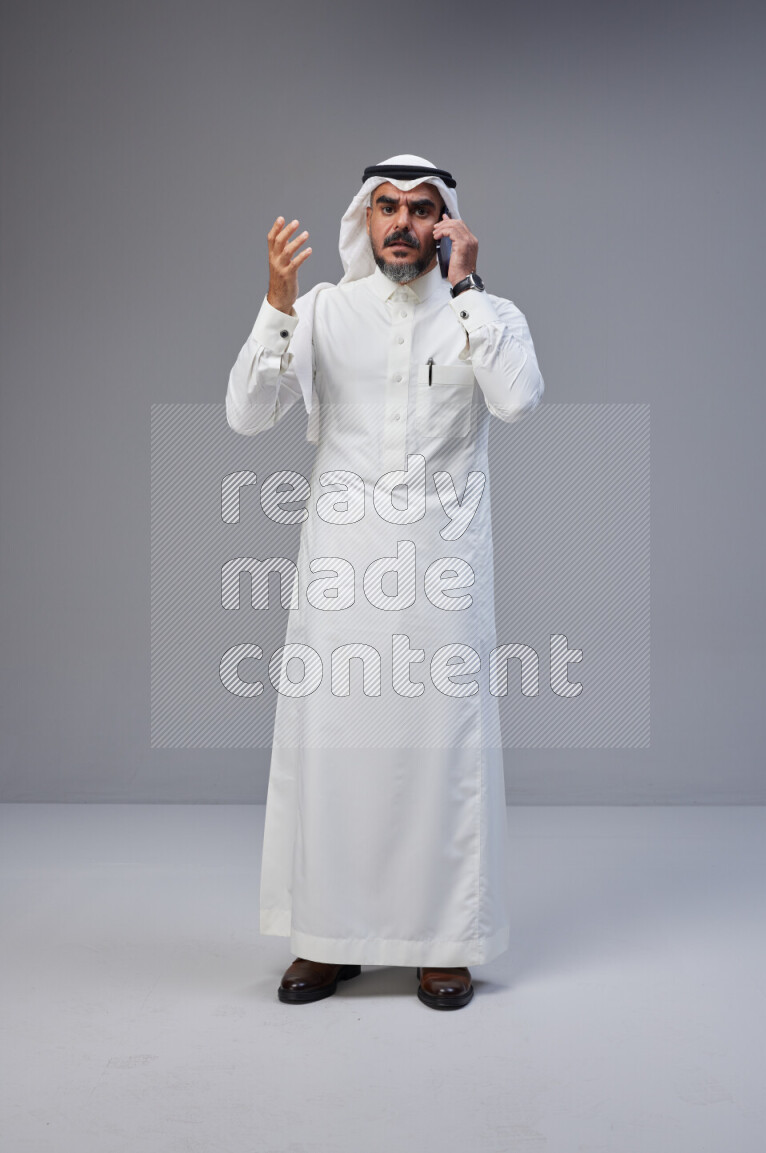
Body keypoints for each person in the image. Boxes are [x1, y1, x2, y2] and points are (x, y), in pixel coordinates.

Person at [225, 154, 544, 1010]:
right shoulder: (324, 311)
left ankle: (447, 943)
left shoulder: (485, 313)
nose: (403, 222)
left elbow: (518, 401)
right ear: (365, 221)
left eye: (423, 209)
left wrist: (470, 288)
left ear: (448, 223)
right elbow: (248, 415)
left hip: (442, 575)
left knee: (442, 754)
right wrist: (277, 304)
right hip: (341, 572)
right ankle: (327, 940)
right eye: (388, 207)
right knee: (333, 754)